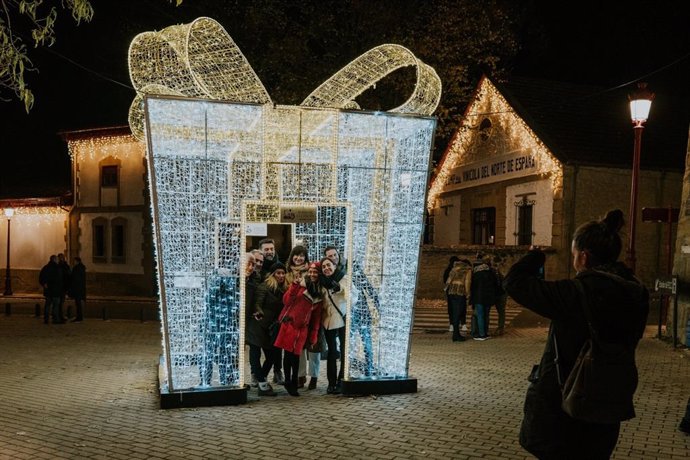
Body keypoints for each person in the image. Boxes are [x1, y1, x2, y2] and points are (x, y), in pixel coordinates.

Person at [503, 209, 649, 459]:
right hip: (608, 400)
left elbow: (514, 283)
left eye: (573, 254)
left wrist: (535, 258)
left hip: (566, 406)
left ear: (583, 256)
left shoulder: (575, 293)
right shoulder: (636, 293)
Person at [274, 261, 323, 396]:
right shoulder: (300, 286)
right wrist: (294, 286)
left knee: (296, 356)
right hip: (289, 325)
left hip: (302, 329)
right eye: (311, 271)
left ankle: (293, 382)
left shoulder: (319, 294)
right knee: (288, 355)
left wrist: (313, 335)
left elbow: (316, 318)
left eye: (315, 272)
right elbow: (286, 301)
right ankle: (289, 382)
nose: (312, 274)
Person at [247, 262, 288, 397]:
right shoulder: (264, 286)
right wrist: (258, 312)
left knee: (271, 357)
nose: (281, 275)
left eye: (283, 273)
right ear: (272, 274)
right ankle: (262, 385)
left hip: (271, 328)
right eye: (278, 273)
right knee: (255, 355)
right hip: (257, 325)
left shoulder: (285, 289)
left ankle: (261, 380)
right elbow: (257, 303)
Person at [320, 257, 356, 393]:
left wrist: (340, 289)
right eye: (323, 267)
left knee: (344, 351)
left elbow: (353, 298)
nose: (326, 268)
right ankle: (331, 384)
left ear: (334, 266)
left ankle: (342, 380)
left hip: (343, 318)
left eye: (328, 265)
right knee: (332, 353)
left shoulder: (344, 278)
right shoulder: (322, 282)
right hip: (329, 321)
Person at [469, 254, 498, 341]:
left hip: (478, 297)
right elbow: (495, 285)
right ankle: (485, 333)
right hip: (488, 297)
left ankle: (481, 334)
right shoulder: (491, 273)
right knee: (486, 315)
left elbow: (472, 285)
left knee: (480, 315)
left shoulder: (476, 273)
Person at [444, 258, 472, 342]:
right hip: (460, 292)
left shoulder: (454, 268)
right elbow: (467, 282)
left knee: (454, 312)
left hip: (452, 291)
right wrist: (467, 293)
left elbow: (448, 280)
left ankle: (456, 334)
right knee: (459, 313)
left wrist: (446, 289)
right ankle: (456, 335)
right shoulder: (468, 270)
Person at [38, 255, 63, 324]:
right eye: (57, 259)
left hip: (48, 290)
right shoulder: (57, 268)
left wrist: (44, 284)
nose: (58, 260)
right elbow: (59, 279)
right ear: (54, 260)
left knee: (48, 305)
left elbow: (41, 278)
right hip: (56, 290)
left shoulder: (46, 268)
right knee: (55, 305)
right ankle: (55, 319)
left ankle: (46, 319)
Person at [443, 256, 460, 332]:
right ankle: (458, 323)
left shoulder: (448, 270)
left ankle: (452, 324)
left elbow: (445, 280)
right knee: (458, 308)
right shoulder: (459, 270)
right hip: (458, 291)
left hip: (450, 291)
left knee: (451, 308)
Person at [69, 257, 86, 322]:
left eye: (74, 261)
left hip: (77, 288)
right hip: (80, 288)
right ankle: (79, 317)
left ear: (77, 261)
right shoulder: (82, 268)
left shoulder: (77, 268)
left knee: (78, 303)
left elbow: (74, 279)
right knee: (78, 304)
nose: (74, 262)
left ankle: (79, 317)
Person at [57, 253, 71, 321]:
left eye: (62, 257)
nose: (61, 259)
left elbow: (68, 276)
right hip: (59, 287)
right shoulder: (58, 266)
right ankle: (58, 316)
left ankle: (60, 316)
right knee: (58, 302)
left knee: (61, 302)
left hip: (63, 287)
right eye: (60, 258)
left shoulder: (64, 266)